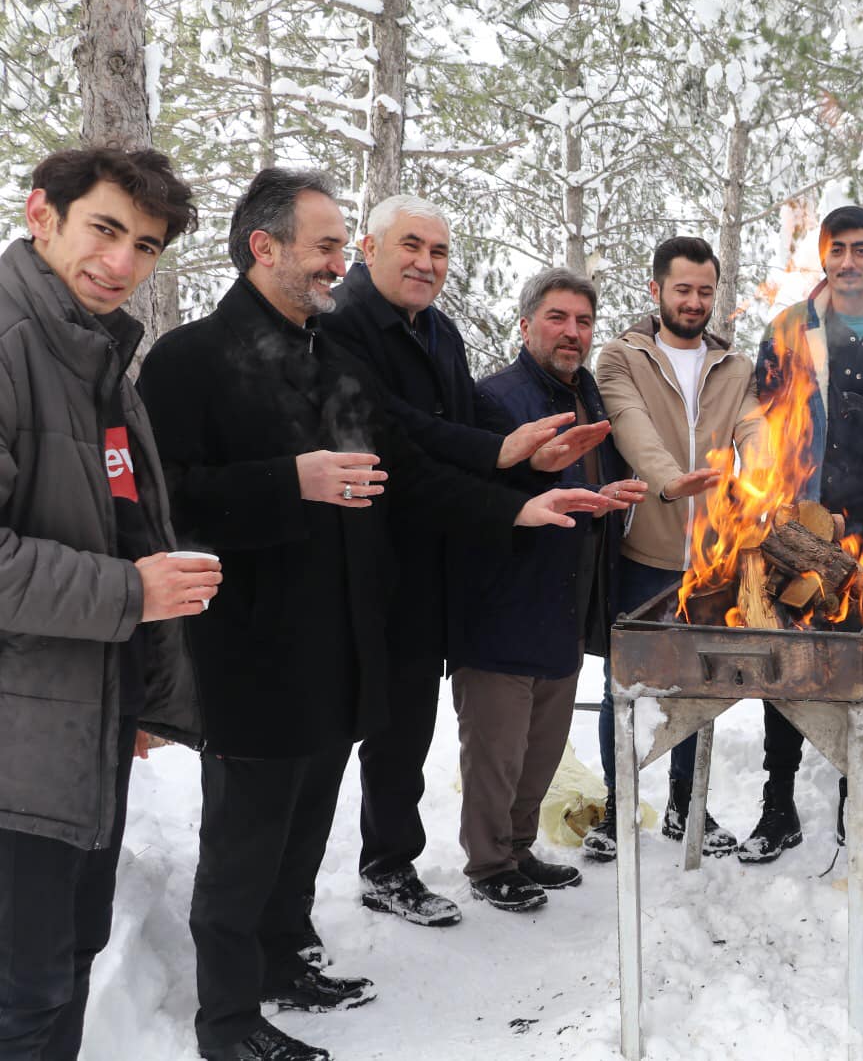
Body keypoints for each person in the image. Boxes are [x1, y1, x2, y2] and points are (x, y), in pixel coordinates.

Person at [138, 169, 624, 1061]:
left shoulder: (331, 360)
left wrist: (516, 493)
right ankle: (227, 1020)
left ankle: (286, 961)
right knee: (244, 839)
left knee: (305, 822)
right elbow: (171, 503)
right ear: (265, 247)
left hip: (342, 636)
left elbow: (408, 461)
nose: (338, 262)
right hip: (251, 644)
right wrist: (293, 481)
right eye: (326, 246)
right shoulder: (188, 360)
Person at [320, 195, 607, 927]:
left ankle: (400, 860)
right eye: (411, 245)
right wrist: (506, 471)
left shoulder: (439, 331)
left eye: (439, 251)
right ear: (368, 246)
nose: (426, 262)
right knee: (376, 733)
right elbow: (399, 440)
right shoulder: (341, 325)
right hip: (362, 559)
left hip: (428, 564)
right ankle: (383, 867)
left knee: (410, 728)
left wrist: (530, 458)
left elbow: (465, 426)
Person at [0, 146, 214, 1061]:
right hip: (16, 757)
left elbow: (122, 524)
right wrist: (131, 596)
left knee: (64, 969)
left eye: (148, 244)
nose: (123, 262)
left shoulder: (101, 363)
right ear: (41, 212)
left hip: (78, 726)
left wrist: (136, 691)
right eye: (105, 229)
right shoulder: (10, 345)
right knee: (26, 994)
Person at [736, 205, 863, 866]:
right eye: (836, 250)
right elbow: (756, 424)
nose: (848, 261)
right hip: (802, 530)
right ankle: (779, 802)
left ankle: (861, 807)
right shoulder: (789, 330)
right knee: (785, 664)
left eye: (859, 249)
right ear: (821, 259)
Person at [448, 267, 645, 912]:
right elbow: (477, 495)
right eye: (558, 318)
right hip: (504, 604)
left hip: (567, 601)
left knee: (543, 747)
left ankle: (520, 847)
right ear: (526, 323)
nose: (572, 332)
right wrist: (533, 490)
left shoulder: (589, 397)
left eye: (584, 321)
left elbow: (589, 486)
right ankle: (487, 862)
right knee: (496, 751)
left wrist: (609, 498)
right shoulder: (493, 399)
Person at [588, 236, 762, 861]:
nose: (694, 301)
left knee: (701, 686)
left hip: (714, 561)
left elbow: (755, 426)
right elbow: (630, 426)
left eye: (705, 291)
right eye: (682, 289)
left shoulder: (735, 367)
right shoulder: (621, 358)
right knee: (627, 689)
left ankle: (688, 804)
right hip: (645, 555)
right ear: (655, 289)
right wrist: (668, 482)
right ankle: (619, 804)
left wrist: (764, 477)